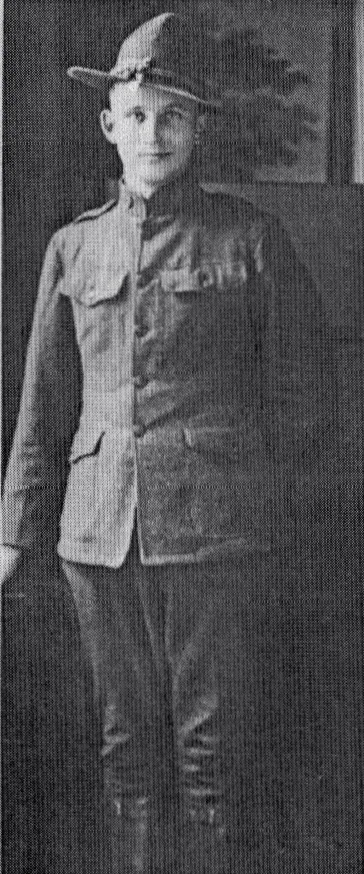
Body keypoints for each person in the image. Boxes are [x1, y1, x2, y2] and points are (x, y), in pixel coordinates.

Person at [1, 11, 332, 874]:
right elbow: (43, 402)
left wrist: (243, 489)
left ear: (199, 131)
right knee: (126, 753)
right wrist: (13, 529)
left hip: (218, 540)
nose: (155, 133)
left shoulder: (251, 240)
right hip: (95, 537)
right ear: (109, 124)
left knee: (212, 761)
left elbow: (306, 403)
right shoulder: (73, 247)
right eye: (138, 114)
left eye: (174, 116)